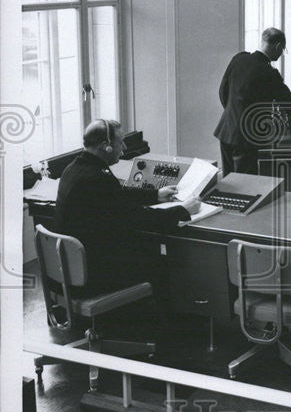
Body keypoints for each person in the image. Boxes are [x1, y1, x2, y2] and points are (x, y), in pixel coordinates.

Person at [54, 120, 199, 295]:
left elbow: (117, 195)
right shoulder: (97, 179)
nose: (123, 147)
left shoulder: (75, 168)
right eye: (120, 141)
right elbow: (136, 217)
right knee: (161, 261)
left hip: (72, 270)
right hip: (93, 277)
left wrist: (155, 195)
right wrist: (183, 210)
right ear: (105, 146)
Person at [214, 27, 291, 175]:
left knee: (228, 179)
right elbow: (287, 99)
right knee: (245, 183)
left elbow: (222, 91)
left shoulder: (239, 59)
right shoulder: (268, 72)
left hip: (225, 129)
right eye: (282, 49)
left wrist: (233, 112)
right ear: (277, 46)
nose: (282, 53)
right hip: (246, 137)